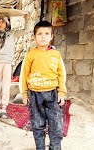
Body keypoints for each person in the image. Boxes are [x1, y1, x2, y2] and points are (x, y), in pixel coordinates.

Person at [21, 21, 66, 150]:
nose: (43, 36)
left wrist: (61, 92)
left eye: (47, 33)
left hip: (53, 94)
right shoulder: (30, 55)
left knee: (56, 124)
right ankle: (40, 148)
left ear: (51, 36)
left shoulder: (56, 55)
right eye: (39, 34)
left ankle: (55, 148)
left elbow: (61, 74)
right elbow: (24, 75)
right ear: (34, 37)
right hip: (35, 95)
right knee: (37, 124)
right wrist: (24, 94)